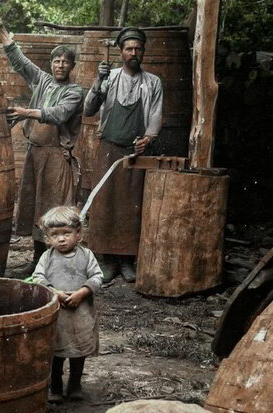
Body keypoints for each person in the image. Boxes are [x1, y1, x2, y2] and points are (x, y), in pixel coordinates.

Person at [0, 14, 85, 277]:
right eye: (56, 60)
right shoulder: (41, 80)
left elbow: (58, 114)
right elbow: (19, 60)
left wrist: (26, 112)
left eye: (66, 61)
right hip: (35, 154)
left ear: (72, 66)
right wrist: (2, 30)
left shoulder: (74, 91)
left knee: (55, 209)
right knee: (35, 207)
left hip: (56, 158)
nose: (60, 65)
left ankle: (58, 266)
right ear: (51, 63)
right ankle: (37, 262)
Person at [83, 27, 163, 282]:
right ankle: (108, 262)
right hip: (108, 148)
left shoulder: (153, 82)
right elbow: (88, 110)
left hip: (135, 152)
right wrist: (98, 82)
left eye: (138, 48)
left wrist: (148, 139)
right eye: (129, 48)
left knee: (131, 205)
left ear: (143, 51)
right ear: (120, 52)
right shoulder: (110, 77)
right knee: (105, 204)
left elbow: (155, 116)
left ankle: (128, 261)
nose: (134, 53)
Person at [32, 206, 103, 402]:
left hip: (80, 312)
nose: (61, 239)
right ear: (47, 238)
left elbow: (97, 277)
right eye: (55, 235)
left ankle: (74, 384)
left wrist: (83, 292)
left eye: (66, 233)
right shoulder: (47, 257)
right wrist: (55, 293)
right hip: (58, 314)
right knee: (57, 351)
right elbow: (37, 278)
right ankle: (55, 387)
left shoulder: (86, 255)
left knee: (78, 351)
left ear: (78, 233)